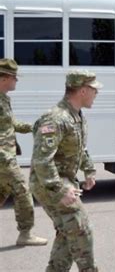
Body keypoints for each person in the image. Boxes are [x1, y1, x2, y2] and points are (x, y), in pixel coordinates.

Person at [30, 69, 102, 272]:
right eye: (94, 89)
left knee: (68, 231)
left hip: (62, 181)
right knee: (81, 229)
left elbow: (80, 148)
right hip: (48, 183)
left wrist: (89, 170)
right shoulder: (56, 119)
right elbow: (42, 160)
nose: (96, 93)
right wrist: (59, 189)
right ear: (82, 90)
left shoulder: (76, 116)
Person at [0, 58, 48, 246]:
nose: (16, 81)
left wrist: (36, 127)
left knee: (2, 192)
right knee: (22, 190)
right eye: (14, 78)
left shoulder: (3, 99)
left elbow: (10, 125)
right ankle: (25, 233)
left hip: (6, 155)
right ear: (5, 78)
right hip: (3, 156)